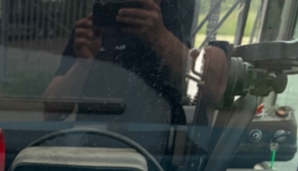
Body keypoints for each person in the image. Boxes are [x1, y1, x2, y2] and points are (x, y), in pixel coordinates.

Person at [44, 0, 194, 125]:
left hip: (158, 143)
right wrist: (83, 64)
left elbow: (196, 79)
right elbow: (51, 112)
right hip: (94, 143)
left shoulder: (169, 17)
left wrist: (160, 37)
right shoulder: (94, 27)